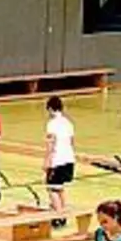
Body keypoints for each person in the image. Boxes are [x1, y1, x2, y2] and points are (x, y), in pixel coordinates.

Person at [44, 96, 76, 225]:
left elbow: (51, 144)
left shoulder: (52, 124)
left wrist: (47, 161)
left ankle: (59, 216)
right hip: (69, 159)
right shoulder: (68, 123)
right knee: (60, 187)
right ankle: (63, 212)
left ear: (50, 109)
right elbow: (72, 142)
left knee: (51, 189)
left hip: (57, 160)